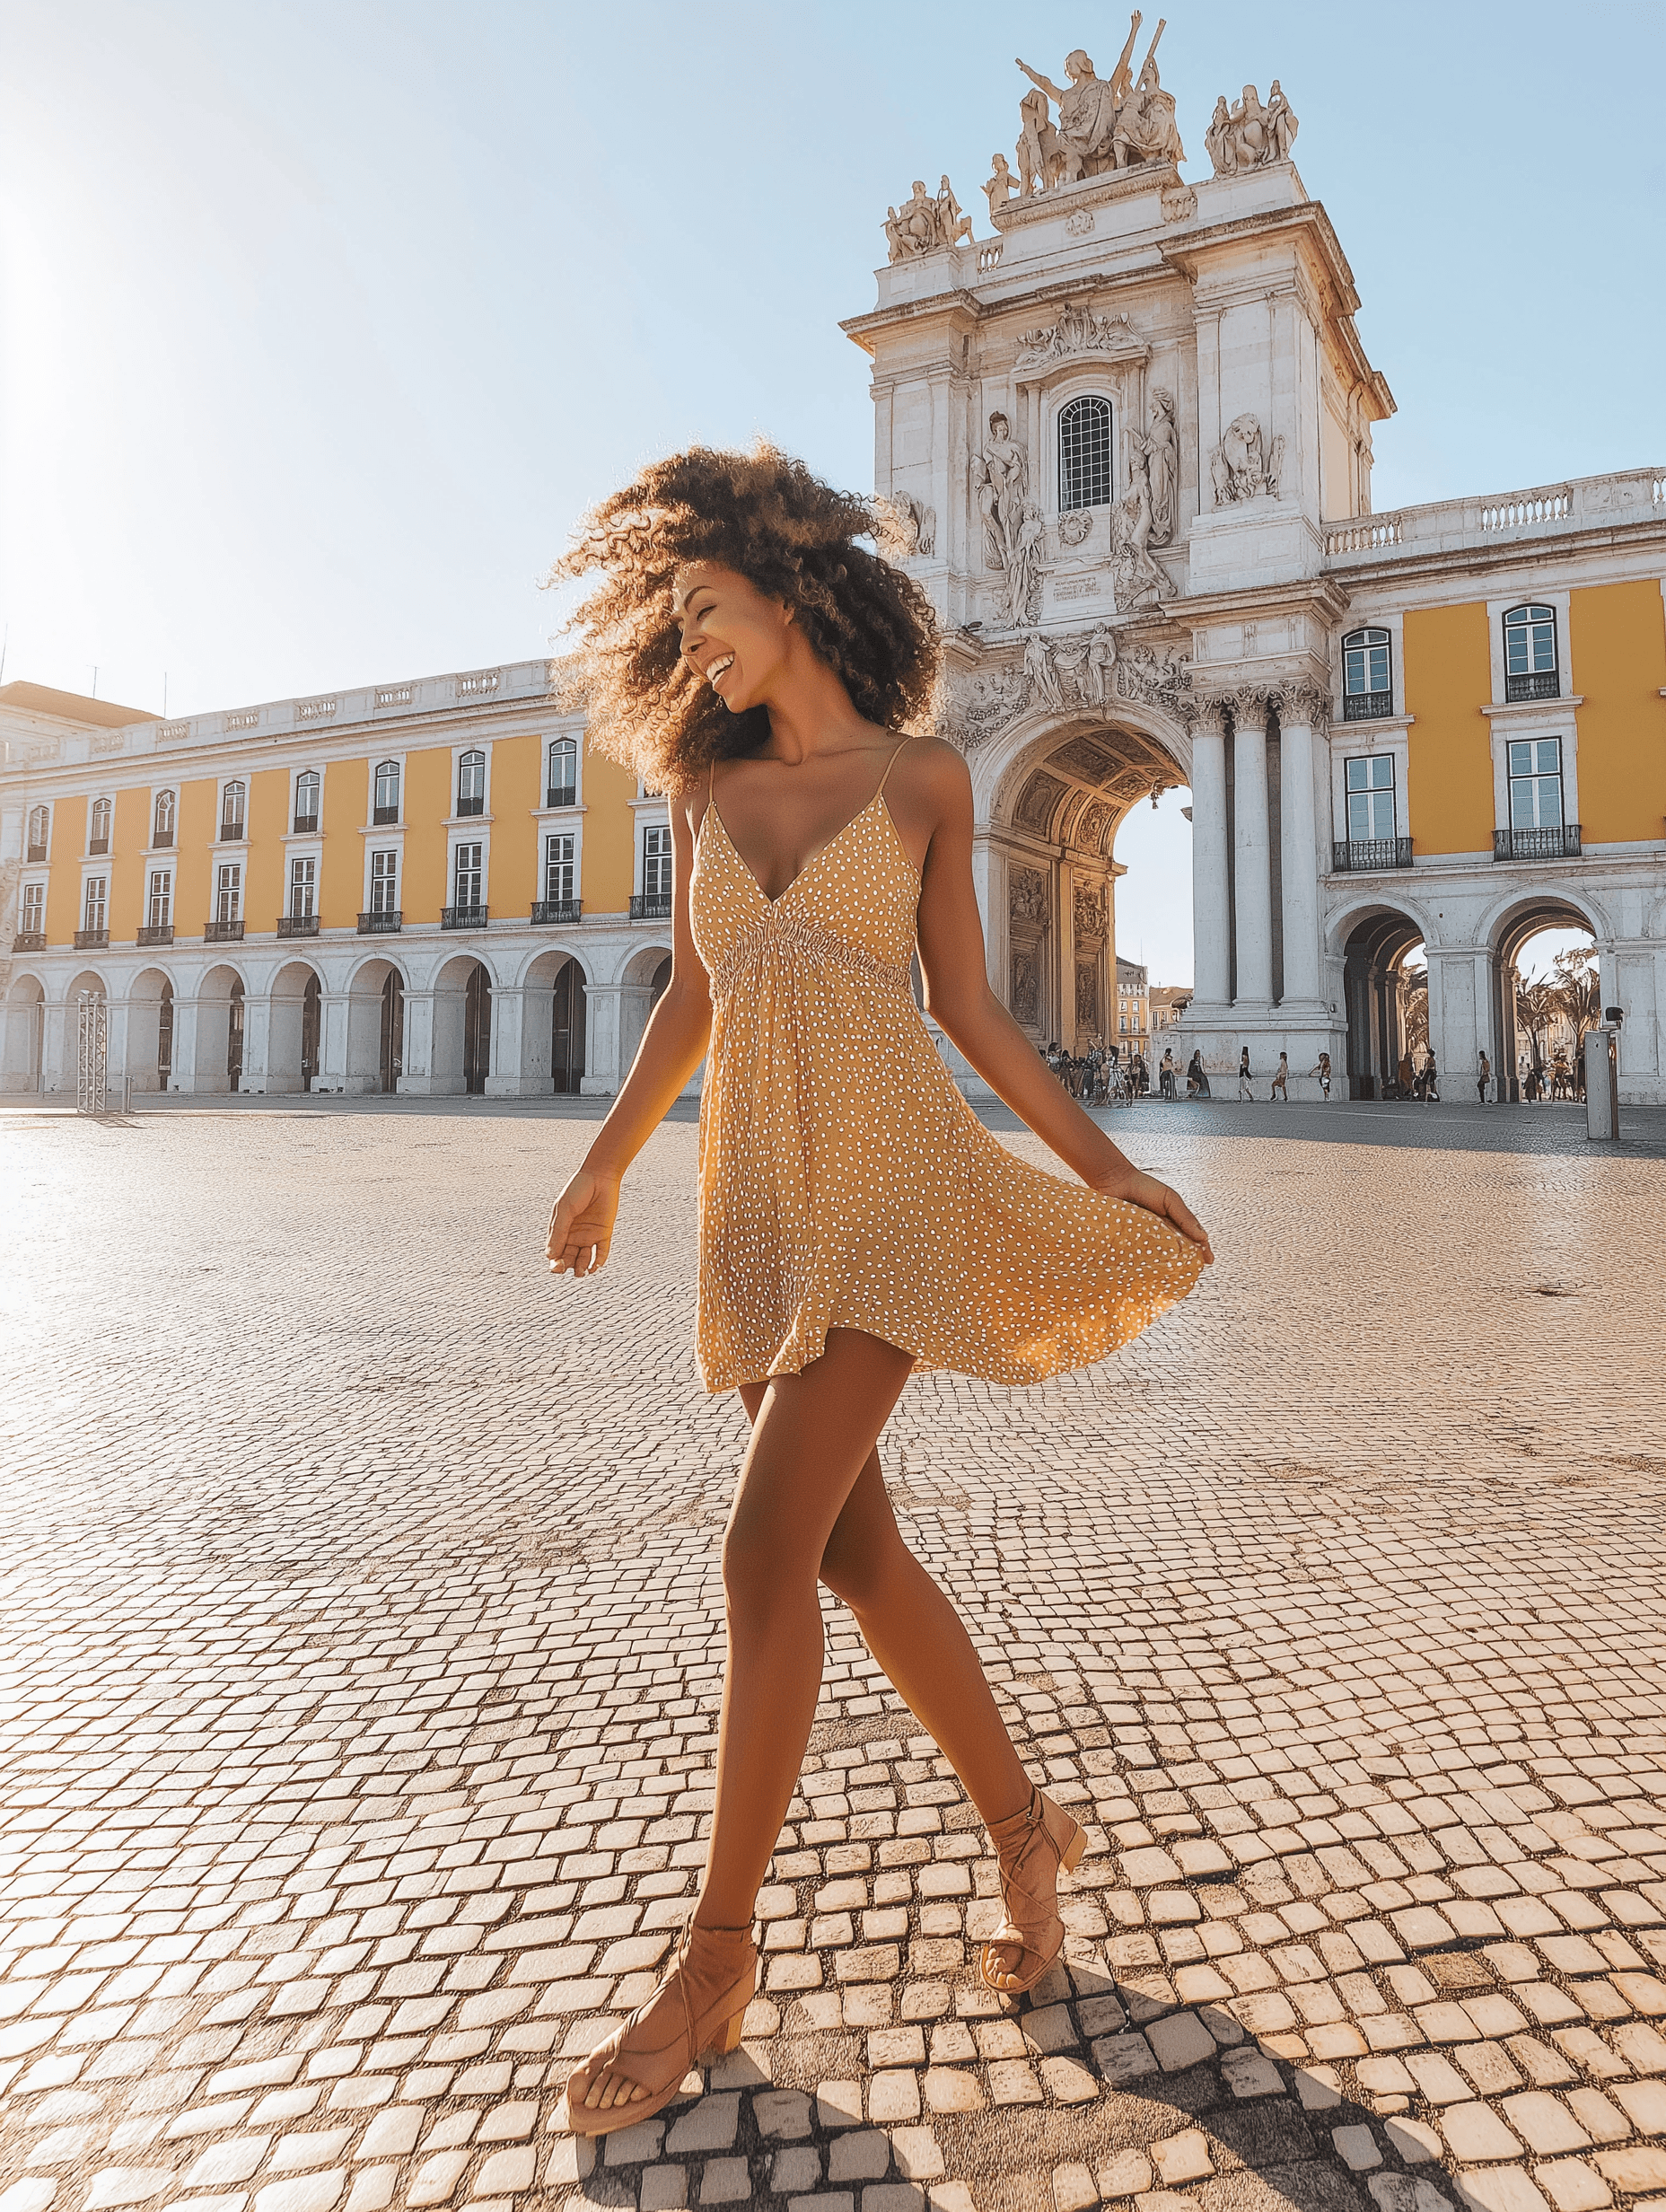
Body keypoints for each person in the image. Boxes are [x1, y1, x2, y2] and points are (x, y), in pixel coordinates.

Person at [543, 444, 1213, 2137]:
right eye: (674, 618)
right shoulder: (705, 793)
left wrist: (1105, 1168)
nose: (693, 641)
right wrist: (609, 1159)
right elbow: (687, 1006)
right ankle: (1025, 1830)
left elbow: (979, 1016)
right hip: (759, 1191)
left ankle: (711, 1962)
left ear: (794, 594)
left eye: (712, 609)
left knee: (763, 1549)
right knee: (854, 1550)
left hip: (895, 1187)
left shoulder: (922, 779)